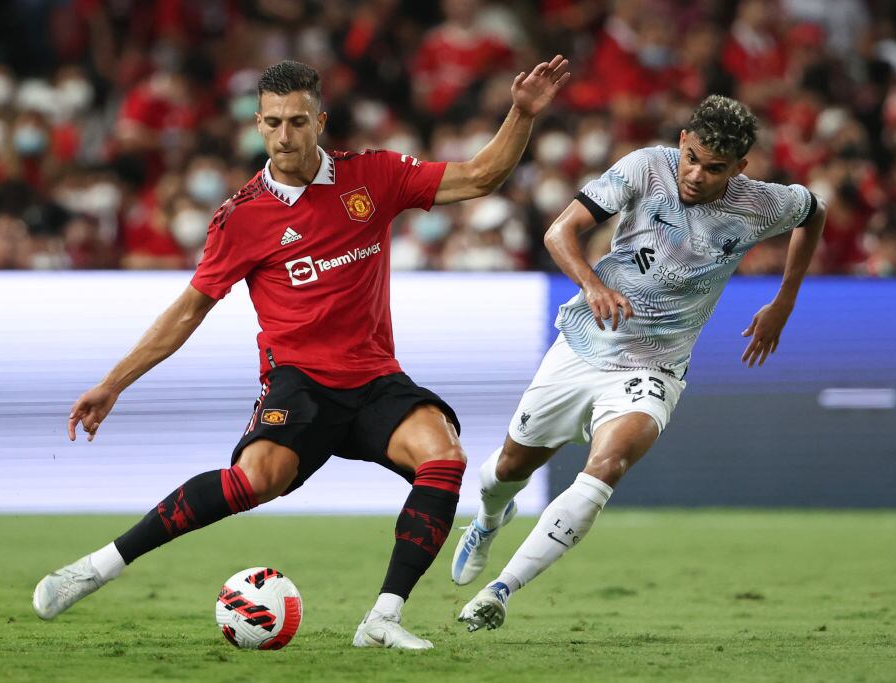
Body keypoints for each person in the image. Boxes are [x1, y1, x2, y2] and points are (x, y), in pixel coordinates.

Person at [32, 56, 570, 650]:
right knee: (252, 482)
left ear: (320, 120)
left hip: (374, 380)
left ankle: (383, 617)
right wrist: (114, 383)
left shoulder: (374, 176)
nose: (284, 136)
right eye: (272, 123)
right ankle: (99, 566)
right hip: (299, 385)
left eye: (296, 121)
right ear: (258, 125)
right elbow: (188, 311)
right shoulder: (241, 217)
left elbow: (479, 177)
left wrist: (520, 113)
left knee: (445, 458)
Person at [452, 94, 826, 631]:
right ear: (682, 142)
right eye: (692, 157)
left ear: (740, 168)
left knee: (606, 469)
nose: (696, 174)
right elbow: (559, 231)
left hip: (655, 367)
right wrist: (593, 284)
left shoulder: (762, 204)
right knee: (508, 470)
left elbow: (814, 213)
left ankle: (500, 591)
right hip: (587, 341)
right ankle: (489, 520)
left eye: (715, 168)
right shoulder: (645, 167)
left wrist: (784, 301)